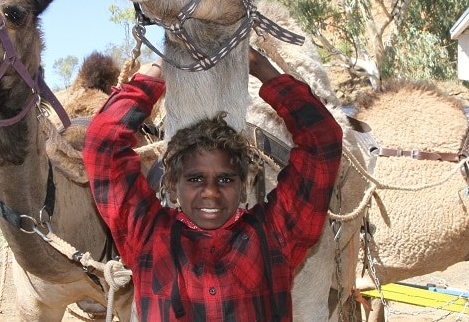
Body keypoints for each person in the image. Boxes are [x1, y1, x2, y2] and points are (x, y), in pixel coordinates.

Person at [83, 49, 343, 321]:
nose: (210, 192)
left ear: (244, 187)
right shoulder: (148, 235)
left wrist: (258, 66)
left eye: (226, 179)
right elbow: (103, 143)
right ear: (171, 186)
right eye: (195, 179)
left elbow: (322, 139)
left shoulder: (276, 234)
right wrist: (163, 64)